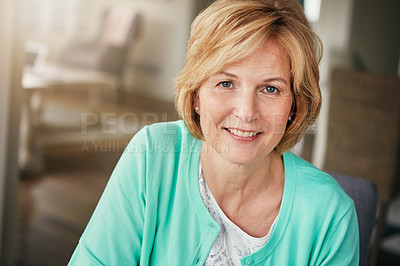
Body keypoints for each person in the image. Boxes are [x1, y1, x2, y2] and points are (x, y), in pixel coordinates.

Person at [69, 0, 359, 265]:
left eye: (271, 89)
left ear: (295, 104)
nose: (246, 112)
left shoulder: (330, 215)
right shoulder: (150, 157)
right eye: (226, 83)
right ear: (196, 95)